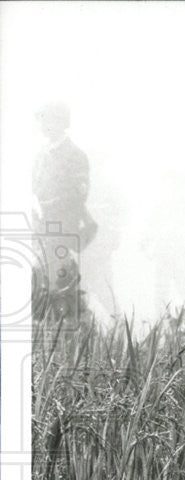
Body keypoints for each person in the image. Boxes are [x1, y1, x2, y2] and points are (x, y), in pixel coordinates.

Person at [31, 101, 98, 318]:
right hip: (41, 228)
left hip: (61, 230)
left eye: (47, 120)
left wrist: (48, 207)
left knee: (60, 287)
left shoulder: (75, 155)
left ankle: (78, 332)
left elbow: (77, 196)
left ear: (60, 122)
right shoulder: (41, 154)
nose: (42, 126)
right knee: (43, 283)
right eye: (41, 120)